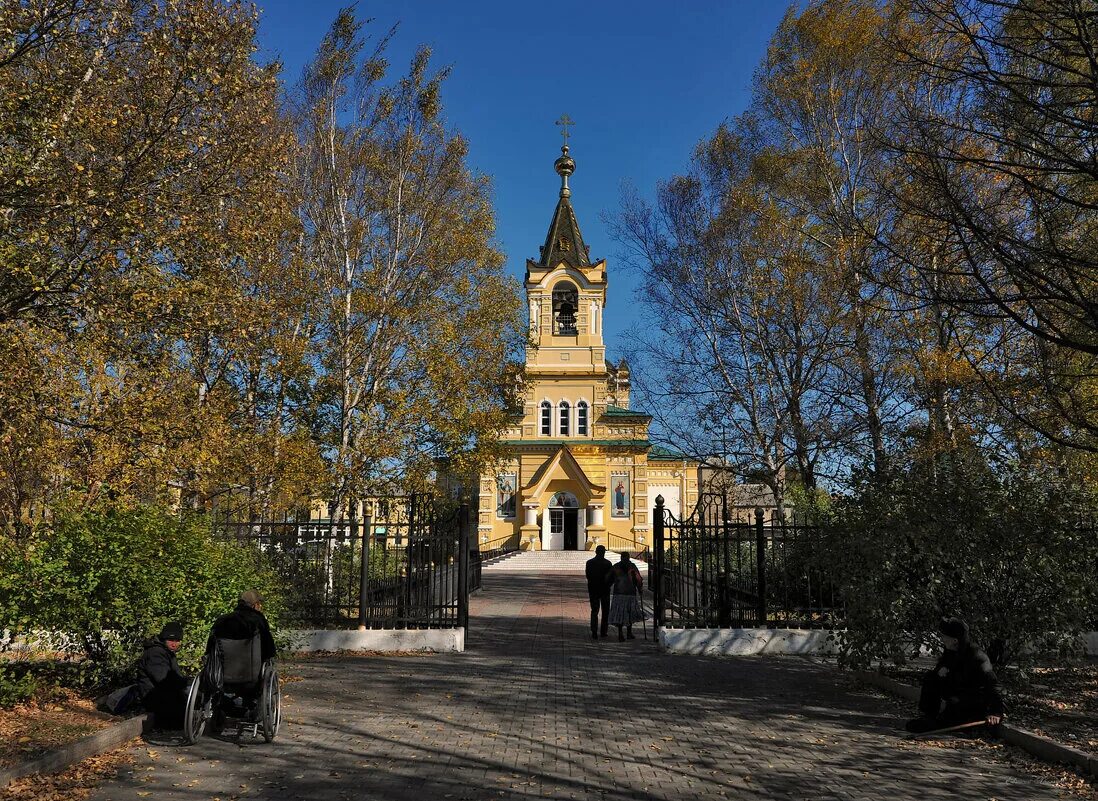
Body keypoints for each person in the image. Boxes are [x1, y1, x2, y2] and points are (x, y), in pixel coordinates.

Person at [905, 616, 1005, 733]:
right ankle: (929, 716)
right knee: (931, 678)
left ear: (955, 640)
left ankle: (946, 722)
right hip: (956, 692)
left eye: (944, 636)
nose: (942, 639)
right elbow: (941, 671)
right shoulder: (951, 650)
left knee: (949, 716)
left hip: (972, 699)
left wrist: (996, 712)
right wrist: (939, 671)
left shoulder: (977, 657)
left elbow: (993, 684)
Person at [136, 621, 189, 729]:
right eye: (171, 640)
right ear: (164, 639)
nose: (174, 644)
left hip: (161, 694)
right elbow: (163, 680)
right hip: (153, 697)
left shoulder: (166, 652)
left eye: (177, 640)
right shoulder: (156, 653)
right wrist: (186, 684)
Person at [607, 551, 644, 641]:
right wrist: (640, 589)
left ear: (621, 558)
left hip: (619, 593)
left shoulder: (616, 566)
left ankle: (621, 634)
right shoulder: (632, 566)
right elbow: (638, 579)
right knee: (629, 612)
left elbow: (608, 578)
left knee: (620, 613)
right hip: (630, 593)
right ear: (628, 557)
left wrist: (608, 586)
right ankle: (629, 633)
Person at [585, 545, 613, 640]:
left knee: (594, 611)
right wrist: (608, 585)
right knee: (605, 612)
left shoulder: (589, 563)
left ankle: (594, 631)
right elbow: (611, 578)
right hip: (604, 590)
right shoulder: (608, 563)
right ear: (604, 552)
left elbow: (588, 576)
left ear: (596, 552)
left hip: (593, 589)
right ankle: (603, 632)